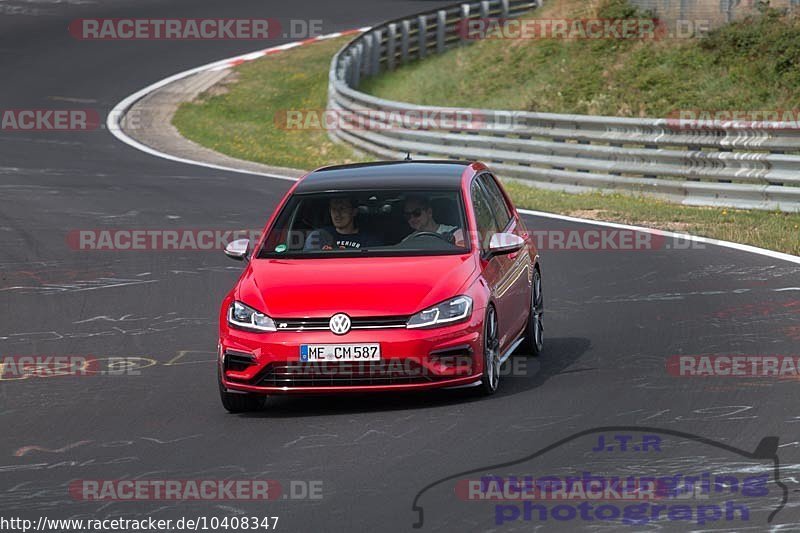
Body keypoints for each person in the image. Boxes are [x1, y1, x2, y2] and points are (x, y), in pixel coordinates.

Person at [304, 196, 378, 250]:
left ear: (354, 212)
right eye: (334, 209)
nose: (337, 213)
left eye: (342, 208)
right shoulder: (319, 236)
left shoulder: (369, 240)